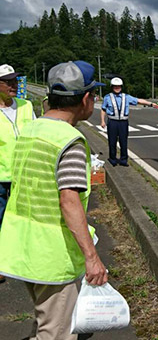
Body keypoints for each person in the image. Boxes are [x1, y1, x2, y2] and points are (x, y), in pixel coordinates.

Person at [0, 60, 108, 339]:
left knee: (46, 321)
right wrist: (92, 257)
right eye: (93, 96)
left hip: (21, 247)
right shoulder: (69, 140)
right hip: (52, 256)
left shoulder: (31, 130)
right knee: (57, 333)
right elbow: (69, 202)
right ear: (85, 99)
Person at [0, 64, 36, 283]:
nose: (14, 85)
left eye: (15, 81)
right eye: (7, 81)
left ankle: (21, 259)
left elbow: (35, 132)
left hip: (24, 174)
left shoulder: (25, 105)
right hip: (1, 176)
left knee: (23, 219)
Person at [100, 77, 158, 166]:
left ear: (121, 87)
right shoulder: (107, 97)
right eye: (115, 86)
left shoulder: (126, 97)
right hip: (112, 122)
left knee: (123, 141)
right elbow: (103, 109)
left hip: (123, 122)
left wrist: (150, 103)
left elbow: (138, 101)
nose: (117, 88)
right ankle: (113, 159)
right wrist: (102, 121)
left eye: (118, 86)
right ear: (112, 87)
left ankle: (123, 160)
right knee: (112, 141)